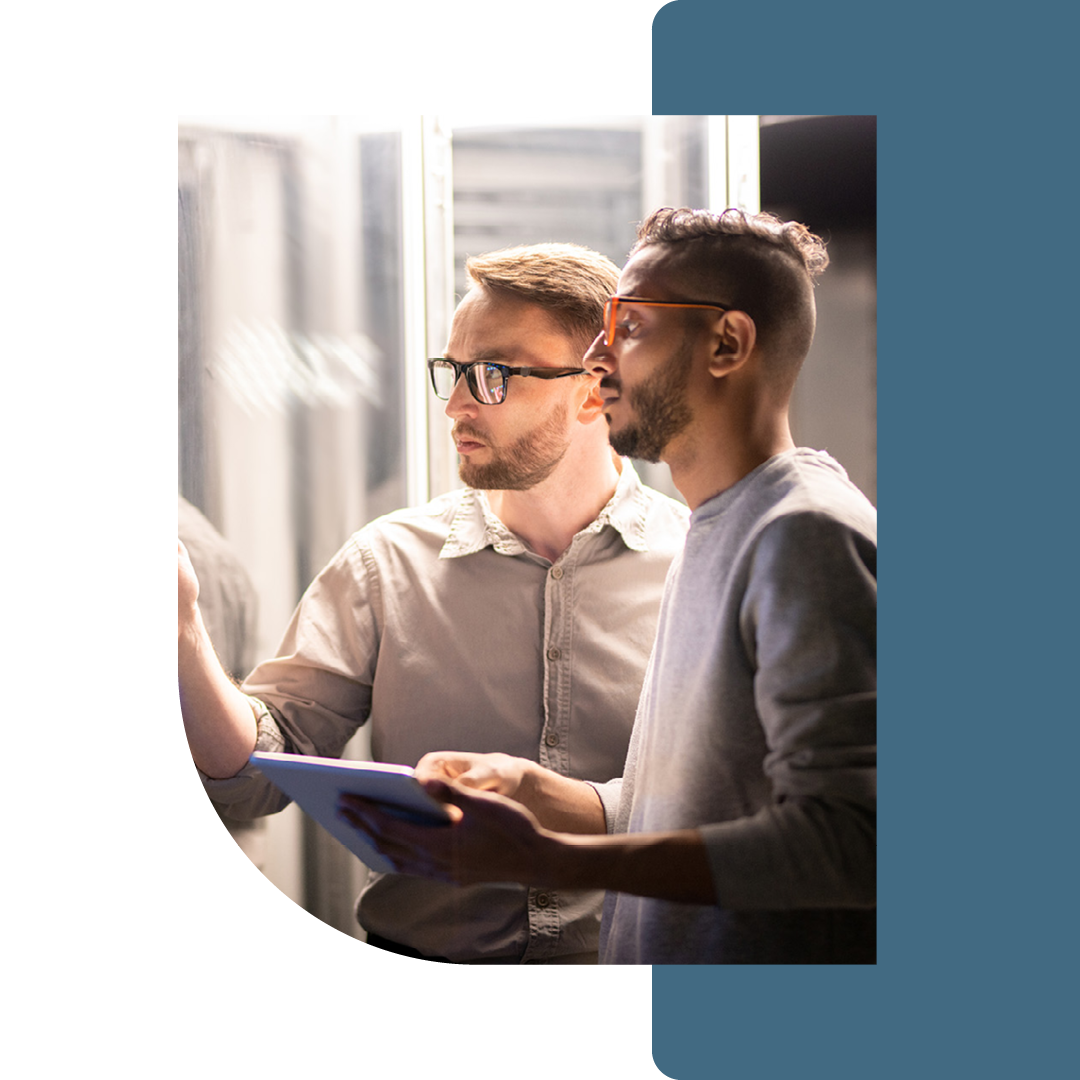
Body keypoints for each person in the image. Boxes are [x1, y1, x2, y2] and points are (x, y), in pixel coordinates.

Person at [338, 207, 877, 965]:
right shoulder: (719, 526)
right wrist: (555, 800)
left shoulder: (804, 533)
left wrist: (550, 863)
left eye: (628, 326)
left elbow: (857, 841)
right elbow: (713, 800)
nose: (598, 358)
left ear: (727, 343)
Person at [178, 242, 690, 964]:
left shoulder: (701, 568)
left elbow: (753, 808)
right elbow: (255, 774)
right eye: (451, 372)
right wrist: (182, 630)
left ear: (593, 386)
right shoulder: (384, 563)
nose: (453, 405)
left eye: (490, 376)